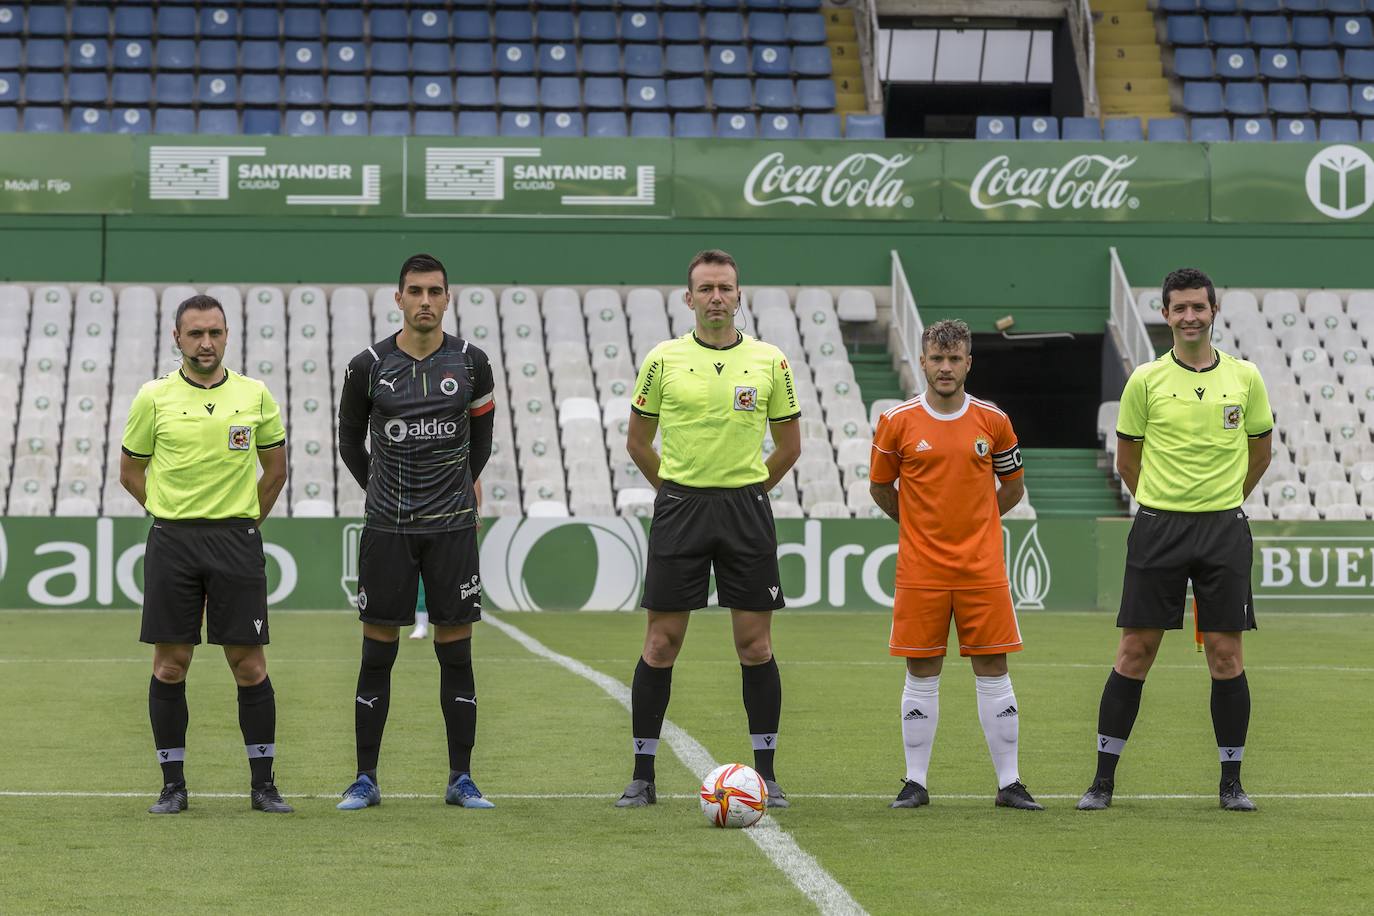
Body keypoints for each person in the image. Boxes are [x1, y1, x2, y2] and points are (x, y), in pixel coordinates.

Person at [1078, 267, 1272, 813]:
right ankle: (1102, 782)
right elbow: (1127, 459)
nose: (1190, 317)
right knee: (1135, 652)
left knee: (1226, 655)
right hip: (1158, 527)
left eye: (1199, 307)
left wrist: (1222, 498)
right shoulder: (1144, 380)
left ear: (1214, 311)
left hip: (1223, 529)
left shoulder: (1245, 377)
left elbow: (1260, 453)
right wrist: (1162, 505)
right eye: (1180, 308)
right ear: (1165, 315)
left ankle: (1231, 784)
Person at [616, 249, 802, 809]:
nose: (716, 297)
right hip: (680, 510)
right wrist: (672, 491)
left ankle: (766, 775)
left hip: (745, 511)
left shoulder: (770, 360)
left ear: (739, 295)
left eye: (725, 287)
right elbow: (637, 441)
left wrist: (747, 492)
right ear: (688, 297)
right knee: (660, 643)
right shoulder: (663, 359)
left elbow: (790, 447)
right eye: (706, 288)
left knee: (754, 645)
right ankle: (642, 775)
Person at [335, 253, 498, 811]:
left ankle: (461, 779)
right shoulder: (368, 365)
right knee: (376, 654)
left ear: (448, 298)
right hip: (388, 529)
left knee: (456, 655)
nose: (424, 300)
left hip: (452, 529)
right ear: (398, 298)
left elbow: (482, 441)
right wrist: (378, 493)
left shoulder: (473, 362)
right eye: (414, 291)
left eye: (434, 291)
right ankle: (364, 779)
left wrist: (459, 489)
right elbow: (349, 440)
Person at [119, 294, 291, 815]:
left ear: (227, 334)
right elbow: (130, 472)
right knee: (171, 665)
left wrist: (243, 523)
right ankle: (173, 786)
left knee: (249, 665)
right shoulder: (153, 397)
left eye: (214, 332)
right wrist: (171, 513)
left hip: (235, 541)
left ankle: (263, 786)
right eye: (195, 333)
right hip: (172, 541)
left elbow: (276, 470)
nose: (206, 342)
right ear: (177, 338)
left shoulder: (255, 394)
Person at [869, 319, 1042, 811]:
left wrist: (978, 522)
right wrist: (919, 526)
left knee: (993, 668)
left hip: (981, 569)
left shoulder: (994, 421)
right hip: (921, 570)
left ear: (969, 362)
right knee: (921, 670)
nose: (945, 368)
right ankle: (914, 782)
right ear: (922, 362)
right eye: (936, 359)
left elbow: (1013, 487)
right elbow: (881, 488)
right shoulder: (897, 421)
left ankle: (1010, 783)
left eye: (955, 359)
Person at [408, 481, 482, 641]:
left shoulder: (460, 458)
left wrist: (475, 511)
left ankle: (449, 625)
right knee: (419, 575)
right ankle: (421, 623)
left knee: (447, 577)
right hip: (417, 515)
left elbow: (474, 477)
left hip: (451, 518)